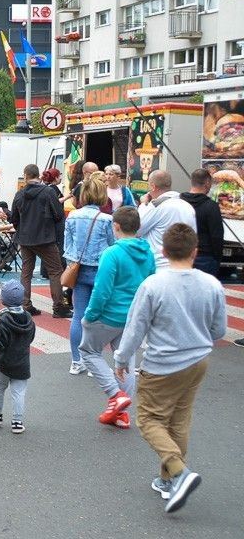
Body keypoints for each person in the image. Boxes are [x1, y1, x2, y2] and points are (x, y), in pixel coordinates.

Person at [114, 224, 226, 514]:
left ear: (163, 251)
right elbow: (219, 329)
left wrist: (122, 359)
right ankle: (168, 481)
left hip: (163, 362)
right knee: (179, 419)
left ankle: (178, 472)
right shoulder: (211, 284)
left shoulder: (153, 285)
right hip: (198, 359)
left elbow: (136, 328)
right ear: (195, 252)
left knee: (149, 419)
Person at [78, 205, 155, 430]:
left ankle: (115, 395)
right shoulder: (148, 253)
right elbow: (151, 284)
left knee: (89, 352)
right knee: (125, 359)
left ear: (116, 226)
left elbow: (102, 289)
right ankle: (121, 413)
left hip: (109, 315)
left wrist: (90, 315)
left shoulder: (112, 253)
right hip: (133, 316)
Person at [63, 173, 117, 376]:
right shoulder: (107, 219)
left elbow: (67, 246)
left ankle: (76, 361)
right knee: (98, 316)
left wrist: (72, 263)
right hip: (101, 271)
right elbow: (112, 245)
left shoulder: (72, 216)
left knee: (79, 314)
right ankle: (95, 361)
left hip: (78, 270)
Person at [10, 164, 70, 318]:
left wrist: (21, 228)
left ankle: (25, 304)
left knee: (26, 271)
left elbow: (14, 218)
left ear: (25, 176)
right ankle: (58, 306)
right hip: (45, 237)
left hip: (25, 237)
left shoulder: (19, 194)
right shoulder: (48, 192)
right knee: (55, 271)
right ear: (38, 175)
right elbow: (58, 215)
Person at [0, 280, 34, 434]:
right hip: (22, 363)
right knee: (19, 392)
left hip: (4, 362)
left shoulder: (4, 320)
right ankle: (17, 421)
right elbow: (31, 338)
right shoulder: (29, 318)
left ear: (3, 300)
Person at [138, 170, 197, 269]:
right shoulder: (187, 206)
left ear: (153, 186)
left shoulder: (156, 206)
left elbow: (137, 228)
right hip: (185, 264)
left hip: (159, 265)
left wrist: (143, 204)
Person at [180, 168, 223, 277]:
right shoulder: (211, 207)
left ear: (192, 181)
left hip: (181, 255)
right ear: (207, 183)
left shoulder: (179, 202)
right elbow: (217, 236)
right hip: (205, 257)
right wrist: (217, 258)